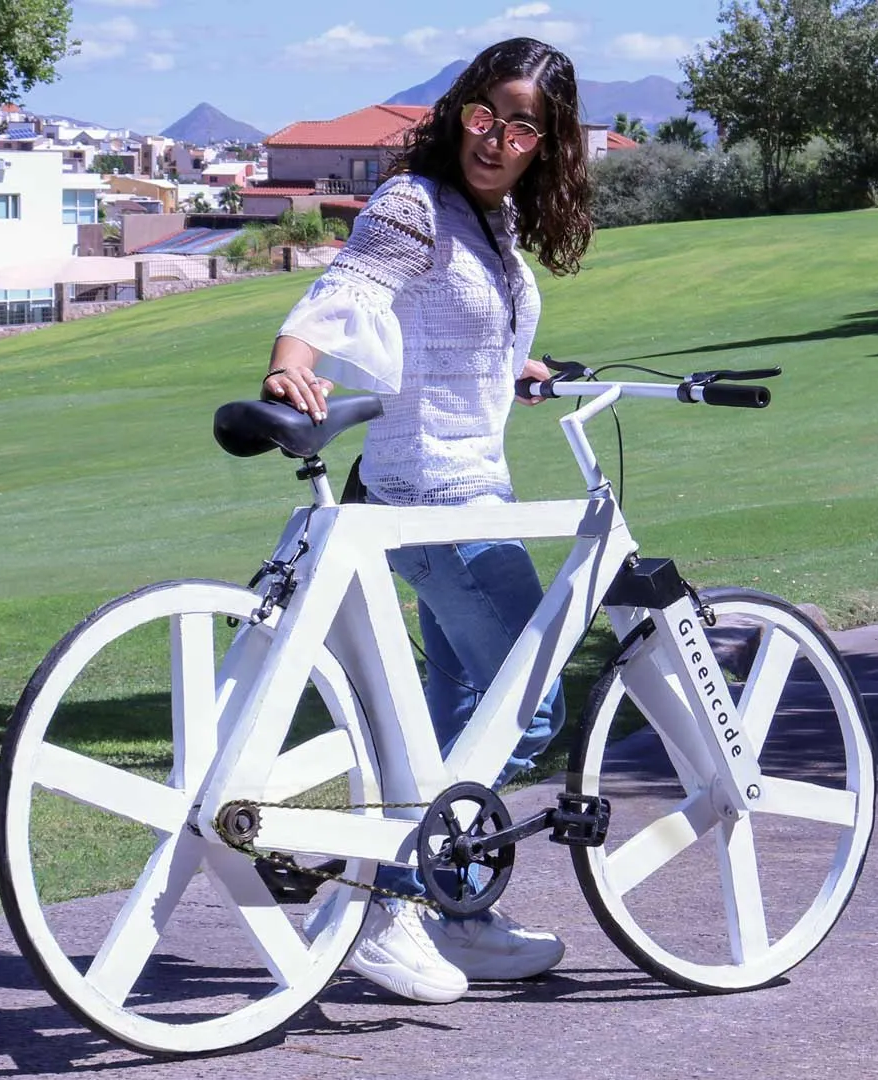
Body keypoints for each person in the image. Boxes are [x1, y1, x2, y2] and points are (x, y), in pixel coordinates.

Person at [261, 37, 594, 1004]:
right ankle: (384, 903)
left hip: (462, 487)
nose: (497, 138)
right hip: (431, 500)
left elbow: (445, 338)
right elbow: (349, 291)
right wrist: (295, 358)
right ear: (462, 110)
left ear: (548, 141)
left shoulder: (493, 221)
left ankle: (454, 913)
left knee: (448, 724)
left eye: (522, 126)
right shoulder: (413, 204)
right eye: (487, 115)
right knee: (526, 709)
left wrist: (514, 373)